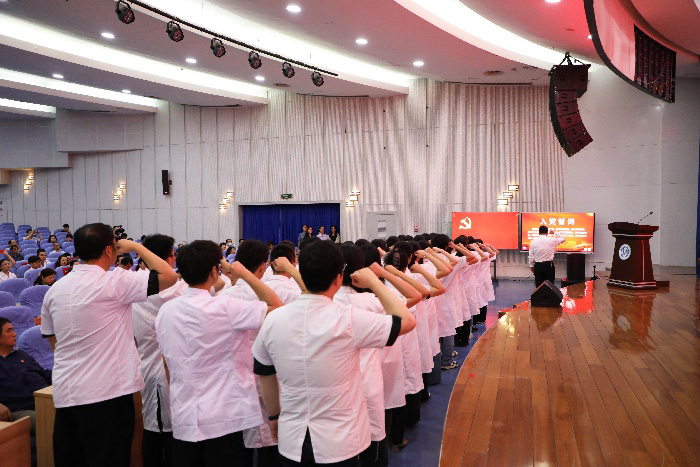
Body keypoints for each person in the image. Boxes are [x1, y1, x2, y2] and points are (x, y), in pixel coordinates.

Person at [252, 240, 416, 466]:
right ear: (339, 278)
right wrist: (374, 282)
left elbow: (264, 370)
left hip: (291, 438)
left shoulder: (274, 319)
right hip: (340, 441)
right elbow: (407, 321)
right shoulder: (348, 318)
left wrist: (274, 415)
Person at [41, 222, 179, 467]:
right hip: (107, 393)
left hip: (67, 392)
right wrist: (136, 246)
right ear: (109, 250)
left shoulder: (55, 290)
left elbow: (53, 341)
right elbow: (169, 276)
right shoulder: (115, 281)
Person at [155, 240, 283, 467]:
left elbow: (166, 360)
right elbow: (278, 308)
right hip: (224, 416)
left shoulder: (166, 311)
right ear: (215, 271)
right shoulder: (226, 307)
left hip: (184, 413)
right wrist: (245, 274)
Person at [132, 235, 192, 467]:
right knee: (170, 432)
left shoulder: (133, 285)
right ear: (168, 259)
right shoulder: (180, 288)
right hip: (172, 370)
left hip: (147, 365)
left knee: (154, 430)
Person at [0, 318, 52, 434]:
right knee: (50, 421)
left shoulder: (20, 354)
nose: (14, 334)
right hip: (19, 408)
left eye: (13, 330)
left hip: (44, 399)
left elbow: (43, 373)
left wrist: (63, 374)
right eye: (9, 331)